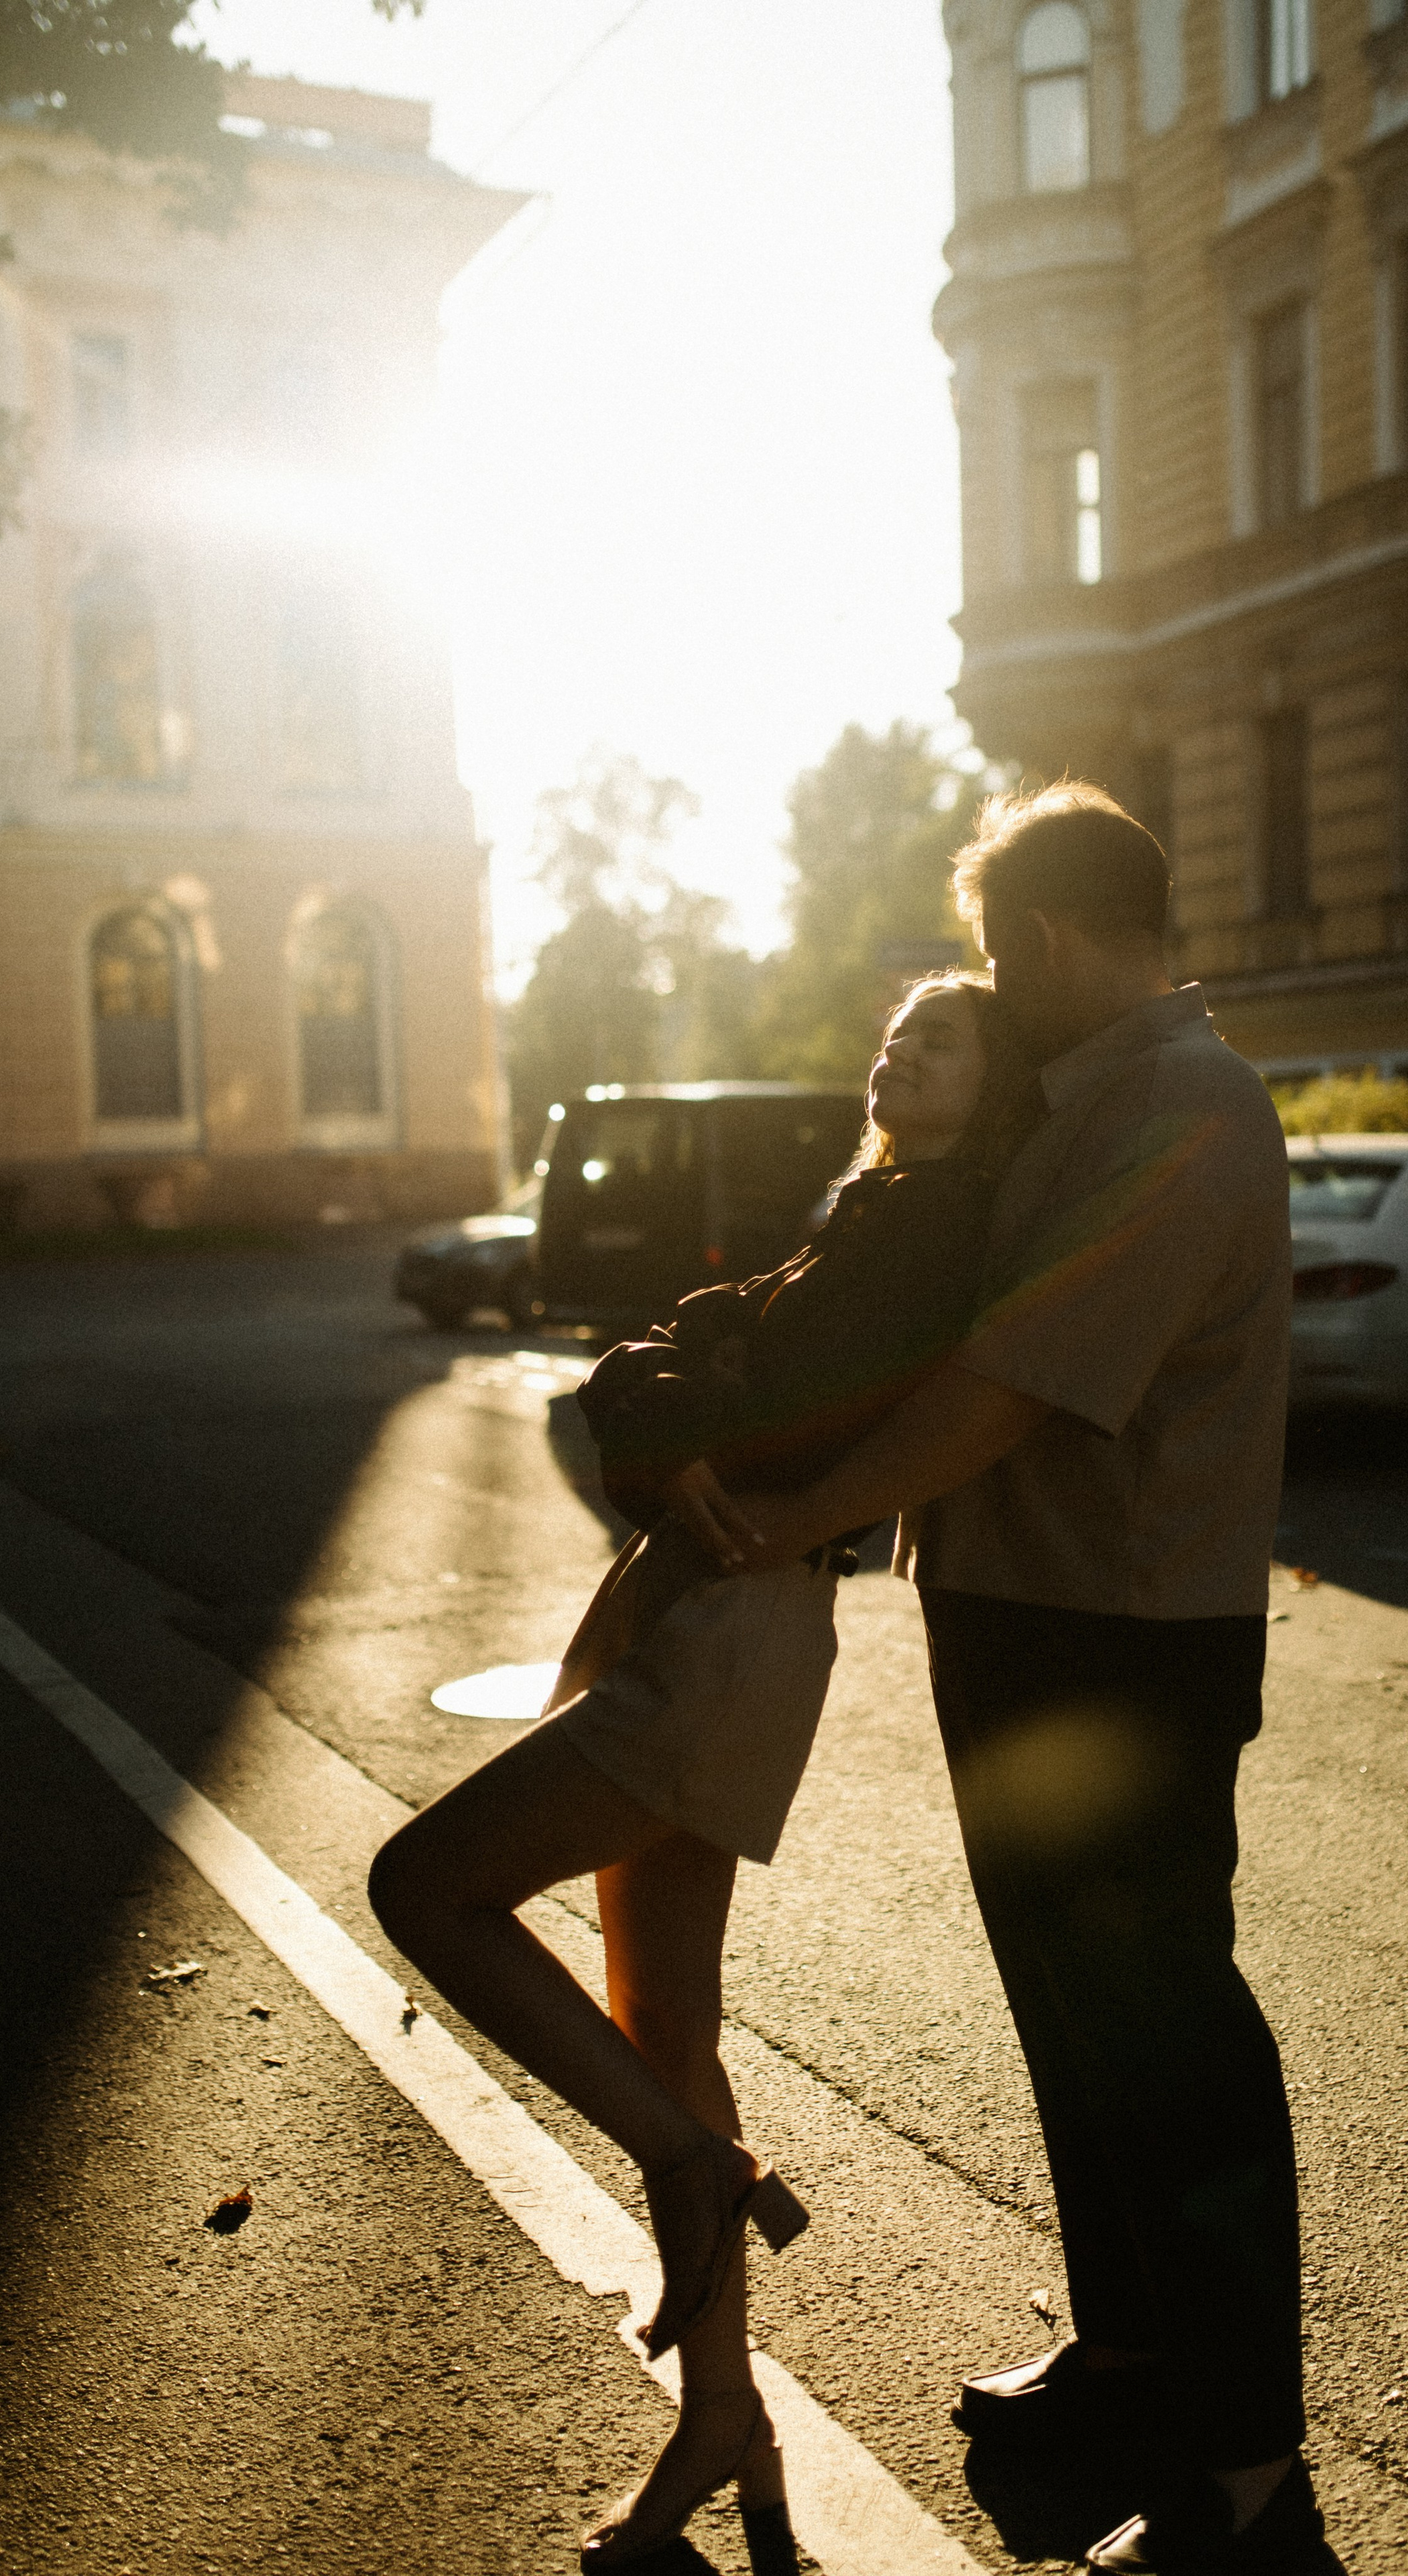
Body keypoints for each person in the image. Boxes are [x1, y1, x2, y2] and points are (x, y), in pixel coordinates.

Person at [672, 786, 1341, 2576]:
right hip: (1025, 1625)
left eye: (990, 951)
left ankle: (1250, 2485)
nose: (986, 983)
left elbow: (1013, 1383)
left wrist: (798, 1510)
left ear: (1039, 940)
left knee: (1174, 2050)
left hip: (1122, 1646)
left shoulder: (1190, 1111)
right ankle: (1129, 2359)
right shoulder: (1084, 1099)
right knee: (1079, 2026)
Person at [367, 974, 1040, 2576]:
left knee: (423, 1886)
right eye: (896, 1025)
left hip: (733, 1634)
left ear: (997, 1084)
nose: (900, 1045)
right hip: (695, 1610)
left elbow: (748, 1384)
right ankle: (721, 2413)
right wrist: (676, 1379)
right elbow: (661, 1356)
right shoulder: (862, 1213)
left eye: (942, 1037)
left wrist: (689, 1380)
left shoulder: (934, 1233)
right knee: (665, 2024)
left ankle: (689, 2164)